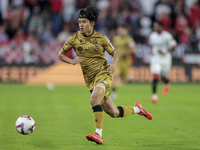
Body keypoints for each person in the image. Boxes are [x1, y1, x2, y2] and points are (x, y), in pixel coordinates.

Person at [58, 6, 152, 145]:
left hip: (103, 74)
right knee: (114, 113)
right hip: (89, 79)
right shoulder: (74, 38)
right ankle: (138, 109)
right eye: (79, 22)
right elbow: (60, 55)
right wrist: (72, 61)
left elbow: (115, 55)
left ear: (92, 23)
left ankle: (98, 134)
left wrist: (113, 64)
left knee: (94, 99)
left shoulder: (101, 38)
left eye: (84, 22)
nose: (81, 25)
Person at [148, 21, 177, 104]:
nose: (155, 28)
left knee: (163, 76)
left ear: (161, 27)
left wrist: (164, 50)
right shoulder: (152, 35)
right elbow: (151, 45)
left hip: (165, 59)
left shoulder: (167, 36)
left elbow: (174, 47)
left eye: (157, 26)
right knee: (155, 75)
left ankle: (167, 82)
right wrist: (150, 52)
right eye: (154, 26)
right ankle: (154, 96)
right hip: (155, 58)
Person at [111, 24, 136, 100]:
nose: (121, 31)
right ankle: (114, 93)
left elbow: (133, 49)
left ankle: (127, 77)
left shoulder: (129, 39)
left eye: (122, 30)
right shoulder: (116, 38)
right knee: (115, 75)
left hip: (126, 62)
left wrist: (123, 53)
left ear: (126, 31)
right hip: (118, 61)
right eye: (120, 30)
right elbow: (114, 48)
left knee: (124, 79)